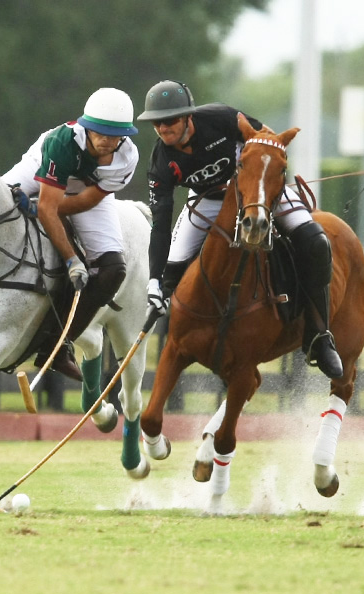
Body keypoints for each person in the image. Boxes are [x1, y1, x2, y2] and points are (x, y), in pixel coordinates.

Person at [137, 80, 342, 379]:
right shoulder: (161, 162)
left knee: (315, 242)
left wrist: (262, 177)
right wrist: (155, 280)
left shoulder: (220, 118)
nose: (163, 128)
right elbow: (160, 223)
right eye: (156, 123)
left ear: (188, 117)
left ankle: (319, 335)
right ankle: (186, 342)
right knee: (173, 271)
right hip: (207, 200)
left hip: (259, 191)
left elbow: (268, 140)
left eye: (169, 120)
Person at [2, 87, 140, 382]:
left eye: (115, 135)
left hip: (84, 191)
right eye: (100, 132)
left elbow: (84, 202)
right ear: (86, 127)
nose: (107, 141)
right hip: (42, 168)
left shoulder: (127, 157)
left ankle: (57, 344)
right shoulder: (62, 142)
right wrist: (71, 260)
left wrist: (40, 207)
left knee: (113, 270)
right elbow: (50, 209)